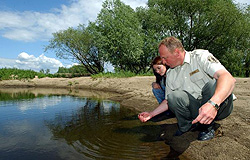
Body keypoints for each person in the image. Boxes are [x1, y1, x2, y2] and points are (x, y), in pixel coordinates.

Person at [138, 36, 236, 141]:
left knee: (212, 84)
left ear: (177, 52)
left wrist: (212, 104)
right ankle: (187, 126)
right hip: (197, 109)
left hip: (220, 107)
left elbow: (228, 78)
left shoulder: (200, 56)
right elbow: (167, 101)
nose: (163, 62)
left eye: (165, 58)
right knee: (173, 96)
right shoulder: (170, 73)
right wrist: (151, 114)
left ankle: (207, 128)